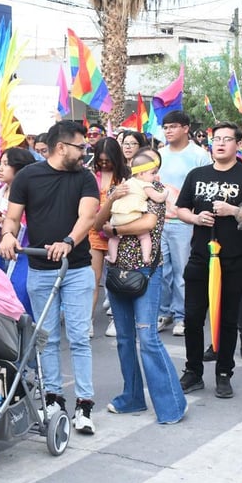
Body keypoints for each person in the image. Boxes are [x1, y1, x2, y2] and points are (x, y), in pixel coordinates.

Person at [0, 120, 99, 434]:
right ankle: (53, 397)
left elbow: (88, 216)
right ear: (61, 147)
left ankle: (85, 404)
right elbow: (12, 218)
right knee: (47, 339)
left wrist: (68, 241)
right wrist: (7, 237)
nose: (84, 152)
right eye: (80, 147)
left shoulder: (85, 178)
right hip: (40, 270)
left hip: (77, 269)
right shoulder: (28, 176)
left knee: (80, 337)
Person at [95, 150, 187, 423]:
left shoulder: (156, 189)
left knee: (148, 339)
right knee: (124, 340)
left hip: (146, 272)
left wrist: (115, 230)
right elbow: (98, 224)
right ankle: (132, 398)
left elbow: (149, 222)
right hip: (116, 272)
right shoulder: (121, 189)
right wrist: (111, 199)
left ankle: (171, 406)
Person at [174, 122, 242, 398]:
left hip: (234, 258)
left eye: (227, 139)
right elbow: (180, 209)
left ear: (238, 144)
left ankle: (224, 372)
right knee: (192, 317)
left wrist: (233, 210)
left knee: (226, 319)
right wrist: (195, 217)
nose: (220, 144)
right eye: (216, 139)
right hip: (200, 255)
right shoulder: (197, 174)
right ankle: (193, 371)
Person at [157, 110, 211, 336]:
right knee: (161, 272)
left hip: (185, 223)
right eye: (166, 127)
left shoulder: (199, 156)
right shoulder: (158, 154)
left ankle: (182, 316)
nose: (168, 131)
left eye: (173, 126)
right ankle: (163, 312)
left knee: (182, 273)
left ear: (186, 128)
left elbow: (206, 189)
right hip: (158, 222)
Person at [0, 147, 37, 317]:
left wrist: (11, 224)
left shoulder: (33, 194)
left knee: (20, 292)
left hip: (24, 253)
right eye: (0, 163)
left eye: (6, 164)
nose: (0, 168)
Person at [88, 137, 130, 336]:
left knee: (117, 279)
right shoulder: (90, 176)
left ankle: (117, 319)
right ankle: (88, 319)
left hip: (118, 233)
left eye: (108, 160)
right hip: (94, 232)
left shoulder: (126, 177)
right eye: (100, 160)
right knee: (92, 279)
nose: (104, 164)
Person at [106, 154, 167, 265]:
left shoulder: (126, 183)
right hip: (132, 216)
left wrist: (115, 230)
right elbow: (158, 198)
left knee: (114, 239)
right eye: (152, 173)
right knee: (144, 236)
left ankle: (112, 257)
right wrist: (165, 192)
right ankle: (146, 257)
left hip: (117, 217)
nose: (154, 176)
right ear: (141, 173)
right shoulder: (146, 185)